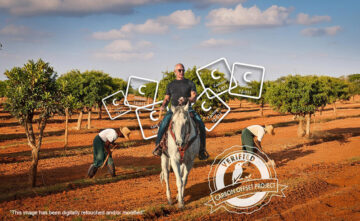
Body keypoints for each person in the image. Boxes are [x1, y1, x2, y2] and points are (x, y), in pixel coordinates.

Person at [152, 63, 209, 160]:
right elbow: (167, 98)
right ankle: (158, 146)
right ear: (175, 72)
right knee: (163, 124)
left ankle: (202, 149)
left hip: (187, 109)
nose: (181, 72)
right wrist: (163, 105)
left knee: (201, 124)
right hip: (174, 109)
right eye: (179, 70)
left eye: (183, 70)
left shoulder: (190, 83)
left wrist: (187, 99)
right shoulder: (170, 85)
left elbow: (194, 97)